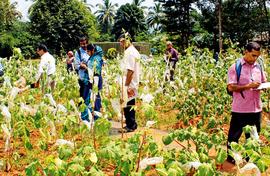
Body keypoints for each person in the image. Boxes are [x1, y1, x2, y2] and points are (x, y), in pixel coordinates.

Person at [226, 42, 266, 164]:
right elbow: (231, 87)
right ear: (246, 52)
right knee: (234, 135)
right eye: (253, 55)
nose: (255, 58)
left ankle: (251, 159)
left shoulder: (258, 67)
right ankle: (232, 158)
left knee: (253, 136)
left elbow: (263, 81)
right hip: (241, 108)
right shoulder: (235, 67)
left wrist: (263, 86)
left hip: (256, 108)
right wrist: (248, 86)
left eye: (257, 56)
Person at [119, 33, 141, 132]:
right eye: (120, 42)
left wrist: (126, 86)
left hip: (129, 83)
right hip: (132, 83)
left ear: (128, 40)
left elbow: (130, 70)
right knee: (130, 104)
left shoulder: (130, 52)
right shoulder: (132, 51)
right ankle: (132, 124)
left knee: (128, 105)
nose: (121, 44)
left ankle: (130, 126)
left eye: (123, 41)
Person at [75, 36, 91, 121]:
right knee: (83, 98)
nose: (83, 45)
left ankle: (90, 115)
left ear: (87, 42)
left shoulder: (92, 50)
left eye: (84, 43)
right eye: (81, 43)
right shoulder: (78, 52)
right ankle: (84, 118)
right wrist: (85, 66)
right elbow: (77, 65)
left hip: (91, 78)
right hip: (82, 79)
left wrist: (84, 64)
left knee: (90, 97)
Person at [86, 43, 104, 120]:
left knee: (96, 96)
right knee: (94, 96)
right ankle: (95, 113)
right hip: (93, 78)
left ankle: (97, 115)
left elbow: (95, 70)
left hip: (96, 78)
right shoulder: (93, 57)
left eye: (88, 51)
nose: (87, 53)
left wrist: (86, 67)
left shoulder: (96, 58)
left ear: (93, 50)